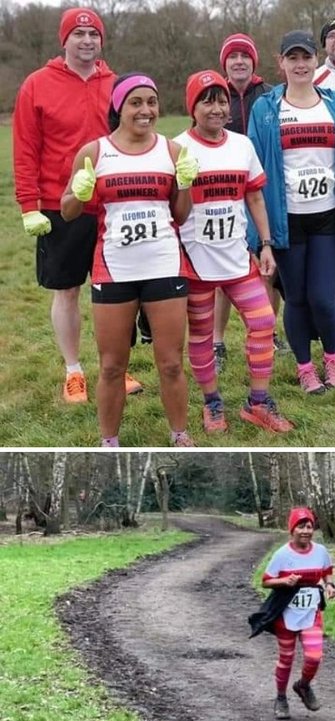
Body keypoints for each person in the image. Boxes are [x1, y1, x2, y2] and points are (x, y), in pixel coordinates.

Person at [12, 8, 145, 403]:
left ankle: (115, 368)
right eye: (78, 33)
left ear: (101, 40)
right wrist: (28, 205)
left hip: (113, 205)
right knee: (67, 290)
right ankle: (73, 372)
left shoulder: (117, 84)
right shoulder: (37, 84)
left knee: (116, 293)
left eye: (93, 34)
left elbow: (136, 137)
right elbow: (25, 149)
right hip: (60, 205)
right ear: (64, 40)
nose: (86, 40)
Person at [60, 73, 199, 447]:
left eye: (151, 102)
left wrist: (185, 185)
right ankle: (109, 441)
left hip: (164, 265)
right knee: (111, 366)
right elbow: (67, 210)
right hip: (115, 268)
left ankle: (179, 434)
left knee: (170, 362)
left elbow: (181, 215)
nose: (145, 110)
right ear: (119, 107)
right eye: (136, 102)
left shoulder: (172, 152)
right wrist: (79, 192)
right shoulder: (94, 152)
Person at [247, 31, 335, 395]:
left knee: (323, 296)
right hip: (287, 221)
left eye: (306, 58)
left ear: (315, 61)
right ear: (282, 63)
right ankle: (305, 368)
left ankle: (332, 359)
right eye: (293, 58)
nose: (300, 64)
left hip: (328, 217)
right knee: (297, 298)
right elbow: (253, 171)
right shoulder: (267, 110)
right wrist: (259, 236)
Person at [177, 71, 293, 435]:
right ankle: (212, 403)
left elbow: (254, 196)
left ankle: (257, 403)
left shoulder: (242, 145)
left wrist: (266, 243)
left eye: (222, 100)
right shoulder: (176, 147)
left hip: (237, 256)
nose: (217, 108)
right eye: (207, 100)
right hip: (195, 261)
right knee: (201, 336)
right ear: (192, 107)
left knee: (262, 322)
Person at [213, 31, 279, 372]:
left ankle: (269, 331)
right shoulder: (215, 97)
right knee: (226, 272)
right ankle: (218, 341)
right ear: (224, 62)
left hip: (262, 193)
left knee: (268, 266)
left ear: (254, 61)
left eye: (245, 56)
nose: (239, 61)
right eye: (232, 56)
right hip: (225, 195)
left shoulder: (269, 96)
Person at [261, 507, 335, 719]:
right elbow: (266, 581)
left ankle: (303, 686)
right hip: (286, 614)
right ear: (292, 529)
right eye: (301, 526)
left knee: (314, 656)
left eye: (309, 526)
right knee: (286, 658)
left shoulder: (321, 551)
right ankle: (281, 698)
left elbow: (327, 571)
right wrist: (284, 581)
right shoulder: (282, 554)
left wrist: (330, 585)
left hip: (311, 613)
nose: (306, 531)